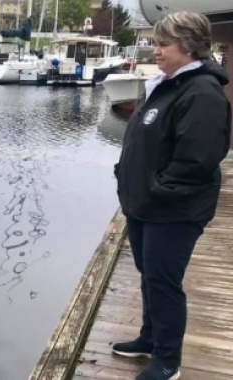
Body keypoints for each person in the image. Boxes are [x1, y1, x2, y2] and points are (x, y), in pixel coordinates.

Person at [112, 11, 232, 380]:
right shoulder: (167, 84)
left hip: (173, 210)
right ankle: (150, 338)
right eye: (155, 43)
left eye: (163, 44)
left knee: (164, 282)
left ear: (189, 47)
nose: (156, 51)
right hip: (145, 205)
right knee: (149, 276)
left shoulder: (201, 92)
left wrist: (158, 190)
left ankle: (167, 361)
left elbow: (197, 159)